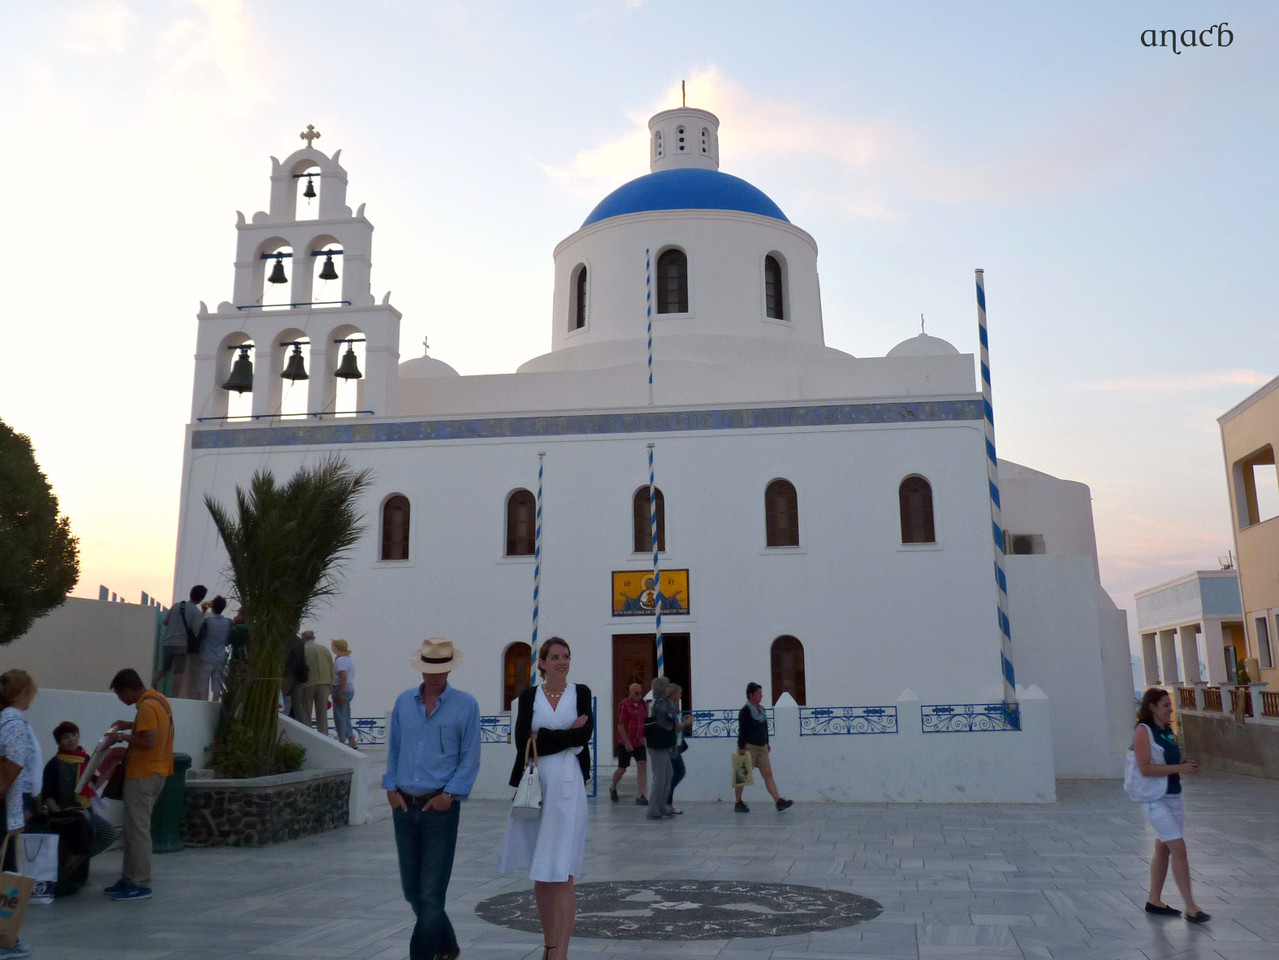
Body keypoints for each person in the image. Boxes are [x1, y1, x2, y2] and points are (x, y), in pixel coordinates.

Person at [383, 639, 481, 960]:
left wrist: (450, 795)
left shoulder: (466, 706)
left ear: (450, 668)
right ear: (420, 667)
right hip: (404, 806)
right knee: (414, 893)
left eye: (440, 669)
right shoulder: (403, 703)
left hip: (439, 809)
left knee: (430, 894)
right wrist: (391, 788)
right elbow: (395, 749)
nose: (434, 676)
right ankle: (448, 946)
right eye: (428, 669)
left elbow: (469, 757)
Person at [498, 638, 593, 960]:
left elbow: (584, 736)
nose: (561, 662)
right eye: (554, 657)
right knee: (542, 870)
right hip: (537, 786)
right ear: (541, 662)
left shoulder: (580, 693)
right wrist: (566, 732)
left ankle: (561, 952)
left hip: (569, 786)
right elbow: (523, 740)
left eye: (566, 656)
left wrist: (547, 737)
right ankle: (549, 944)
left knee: (563, 871)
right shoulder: (529, 696)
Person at [1132, 687, 1208, 923]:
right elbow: (1145, 768)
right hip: (1155, 800)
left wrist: (1183, 765)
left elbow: (1168, 761)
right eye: (1165, 705)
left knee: (1163, 848)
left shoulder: (1167, 731)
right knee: (1178, 848)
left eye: (1169, 705)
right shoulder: (1143, 731)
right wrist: (1178, 768)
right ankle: (1191, 907)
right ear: (1152, 707)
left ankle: (1154, 900)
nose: (1170, 709)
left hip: (1174, 797)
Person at [104, 669, 174, 902]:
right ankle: (128, 878)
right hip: (158, 772)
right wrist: (129, 725)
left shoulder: (145, 707)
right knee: (133, 829)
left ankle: (140, 883)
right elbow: (150, 729)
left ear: (127, 689)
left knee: (138, 831)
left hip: (143, 774)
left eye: (119, 695)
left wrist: (121, 737)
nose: (120, 700)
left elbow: (149, 739)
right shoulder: (158, 700)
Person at [39, 721, 117, 888]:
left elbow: (94, 784)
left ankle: (78, 861)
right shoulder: (53, 765)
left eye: (74, 735)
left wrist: (112, 765)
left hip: (86, 811)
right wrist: (60, 814)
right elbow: (48, 795)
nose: (71, 739)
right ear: (59, 742)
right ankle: (72, 866)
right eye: (66, 737)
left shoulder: (86, 759)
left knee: (108, 834)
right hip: (65, 814)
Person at [0, 670, 39, 960]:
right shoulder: (14, 724)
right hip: (4, 810)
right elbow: (12, 766)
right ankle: (6, 939)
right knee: (6, 879)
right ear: (24, 692)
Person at [735, 681, 793, 813]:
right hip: (748, 747)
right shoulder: (745, 711)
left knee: (768, 775)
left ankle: (778, 800)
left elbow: (765, 728)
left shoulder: (761, 710)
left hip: (761, 748)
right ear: (751, 695)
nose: (761, 696)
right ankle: (738, 802)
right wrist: (741, 747)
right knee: (742, 777)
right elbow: (742, 730)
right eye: (759, 693)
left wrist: (767, 742)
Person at [152, 584, 207, 698]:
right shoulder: (196, 612)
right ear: (201, 598)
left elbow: (165, 621)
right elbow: (195, 631)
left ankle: (149, 686)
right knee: (178, 674)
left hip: (167, 643)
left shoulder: (176, 606)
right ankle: (175, 698)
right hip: (181, 645)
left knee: (163, 670)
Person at [646, 677, 678, 821]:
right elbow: (669, 718)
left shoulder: (664, 702)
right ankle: (653, 808)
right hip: (658, 743)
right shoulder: (659, 704)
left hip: (664, 743)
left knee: (668, 773)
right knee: (659, 776)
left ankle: (661, 805)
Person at [610, 682, 648, 805]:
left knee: (642, 765)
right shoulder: (624, 705)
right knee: (622, 768)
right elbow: (620, 724)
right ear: (630, 693)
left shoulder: (642, 705)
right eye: (636, 693)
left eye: (641, 693)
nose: (639, 695)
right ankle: (613, 787)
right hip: (626, 742)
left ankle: (641, 794)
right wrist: (626, 742)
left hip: (639, 741)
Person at [665, 683, 693, 815]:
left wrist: (683, 721)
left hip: (676, 746)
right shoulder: (668, 707)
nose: (681, 696)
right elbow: (675, 726)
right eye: (679, 693)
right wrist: (687, 723)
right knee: (678, 772)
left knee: (676, 773)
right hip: (671, 747)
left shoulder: (675, 708)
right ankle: (666, 802)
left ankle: (667, 802)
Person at [197, 596, 232, 701]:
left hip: (207, 656)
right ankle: (215, 704)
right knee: (217, 685)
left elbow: (198, 629)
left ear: (212, 607)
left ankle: (203, 705)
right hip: (220, 656)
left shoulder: (208, 621)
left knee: (203, 683)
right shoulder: (228, 622)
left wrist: (203, 611)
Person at [299, 632, 335, 734]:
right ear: (314, 638)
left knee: (306, 714)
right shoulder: (324, 649)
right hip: (324, 683)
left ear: (303, 638)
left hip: (308, 683)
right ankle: (324, 737)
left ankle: (308, 736)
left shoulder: (302, 649)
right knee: (322, 715)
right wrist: (330, 687)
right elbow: (331, 670)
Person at [331, 639, 357, 749]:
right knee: (346, 715)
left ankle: (342, 740)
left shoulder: (340, 661)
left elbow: (343, 677)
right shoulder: (348, 660)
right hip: (349, 690)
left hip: (342, 690)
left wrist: (340, 693)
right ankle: (351, 739)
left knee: (340, 716)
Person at [282, 631, 310, 717]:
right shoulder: (300, 642)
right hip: (298, 676)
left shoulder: (283, 641)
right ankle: (302, 725)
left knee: (281, 701)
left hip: (286, 675)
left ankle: (281, 723)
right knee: (297, 704)